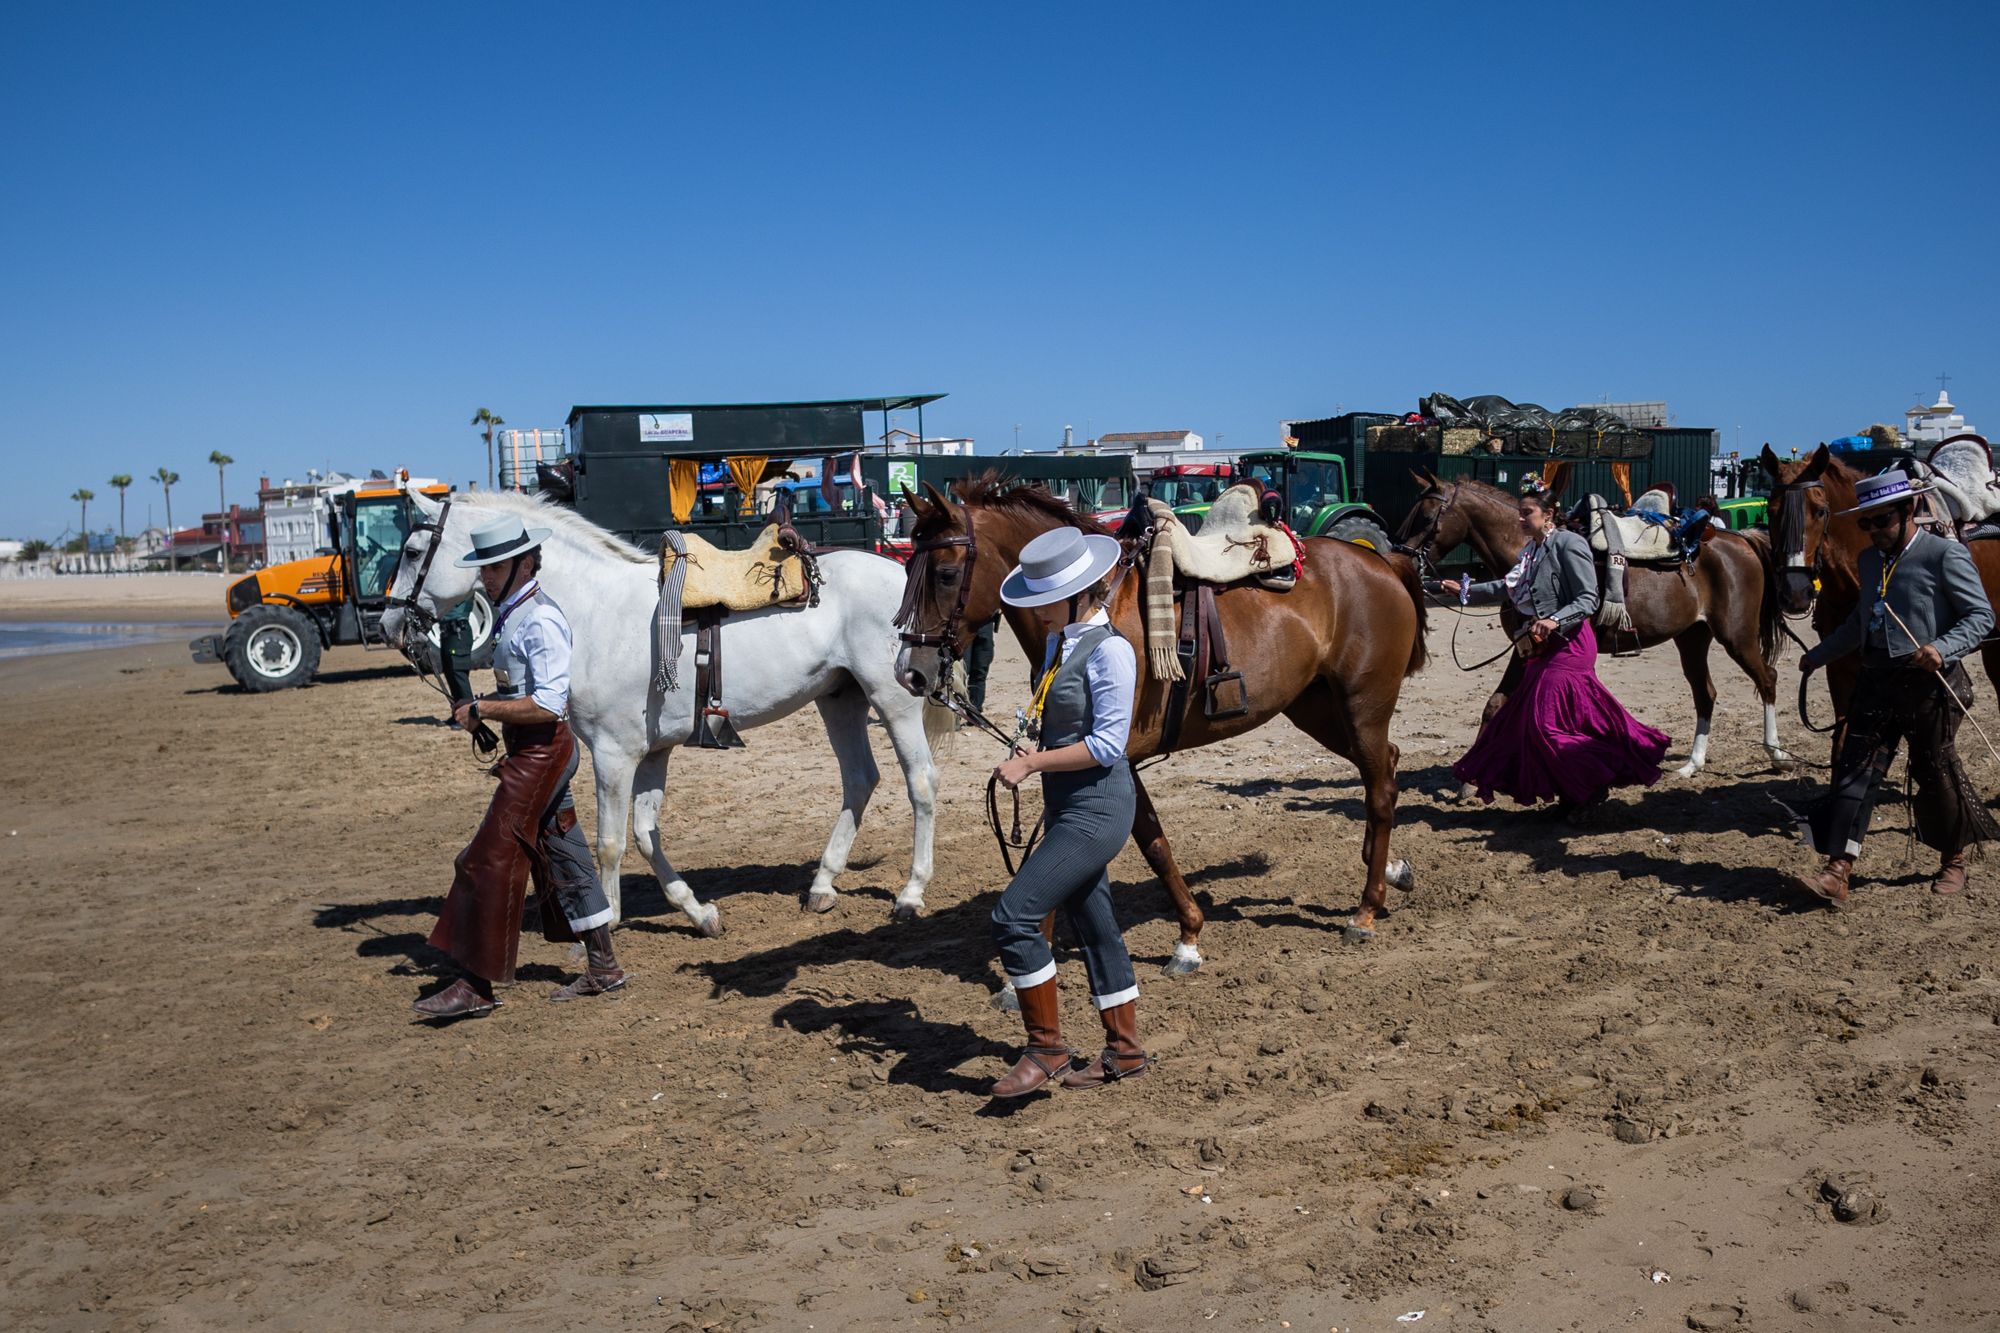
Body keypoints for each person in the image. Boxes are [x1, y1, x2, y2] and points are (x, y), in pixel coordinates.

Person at [414, 513, 628, 1020]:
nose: (484, 576)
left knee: (488, 857)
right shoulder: (515, 612)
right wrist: (483, 709)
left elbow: (550, 706)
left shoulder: (541, 619)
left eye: (493, 566)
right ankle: (604, 966)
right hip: (533, 750)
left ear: (523, 563)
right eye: (483, 567)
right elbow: (524, 694)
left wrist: (484, 708)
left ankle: (475, 984)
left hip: (543, 752)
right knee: (565, 853)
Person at [988, 526, 1148, 1096]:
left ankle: (1047, 1049)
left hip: (1098, 809)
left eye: (1044, 600)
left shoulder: (1111, 651)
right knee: (1096, 920)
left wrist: (1034, 766)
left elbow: (1108, 745)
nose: (1036, 612)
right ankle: (1125, 1051)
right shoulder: (1060, 646)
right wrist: (1029, 747)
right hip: (1068, 805)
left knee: (1013, 915)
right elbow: (1059, 719)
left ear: (1079, 594)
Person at [1794, 471, 1998, 906]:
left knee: (1934, 773)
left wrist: (1942, 649)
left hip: (1929, 685)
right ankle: (1838, 870)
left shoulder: (1944, 555)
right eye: (1865, 524)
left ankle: (1954, 859)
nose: (1873, 532)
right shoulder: (1870, 562)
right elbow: (1858, 623)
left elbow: (1980, 617)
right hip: (1875, 681)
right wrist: (1821, 654)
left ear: (1908, 512)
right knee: (1854, 773)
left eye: (1880, 521)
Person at [1441, 489, 1670, 817]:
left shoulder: (1569, 544)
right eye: (1520, 512)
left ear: (1548, 515)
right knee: (1542, 724)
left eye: (1527, 513)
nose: (1520, 519)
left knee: (1545, 725)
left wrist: (1553, 620)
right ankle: (1575, 792)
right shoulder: (1530, 551)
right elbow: (1505, 587)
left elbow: (1588, 598)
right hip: (1543, 649)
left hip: (1570, 646)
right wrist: (1462, 590)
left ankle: (1592, 786)